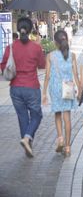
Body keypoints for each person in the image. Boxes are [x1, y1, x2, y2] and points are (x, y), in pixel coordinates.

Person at [0, 17, 46, 158]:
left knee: (22, 117)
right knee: (37, 115)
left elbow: (3, 66)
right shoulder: (36, 47)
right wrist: (39, 48)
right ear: (31, 30)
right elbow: (42, 65)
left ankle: (28, 145)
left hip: (15, 87)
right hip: (31, 86)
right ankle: (27, 138)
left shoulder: (11, 47)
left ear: (18, 30)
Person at [42, 30, 79, 157]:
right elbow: (76, 75)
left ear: (55, 42)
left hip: (55, 88)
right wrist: (79, 90)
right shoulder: (72, 55)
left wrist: (44, 93)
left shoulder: (50, 56)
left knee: (57, 114)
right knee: (67, 117)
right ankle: (68, 147)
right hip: (68, 87)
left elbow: (47, 76)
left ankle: (60, 138)